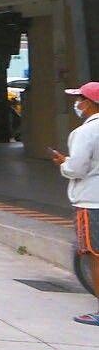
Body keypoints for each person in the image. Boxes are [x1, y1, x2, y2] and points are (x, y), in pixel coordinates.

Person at [54, 80, 99, 326]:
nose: (77, 104)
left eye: (79, 99)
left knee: (95, 255)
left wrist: (63, 163)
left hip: (92, 201)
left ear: (90, 104)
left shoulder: (86, 132)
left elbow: (77, 167)